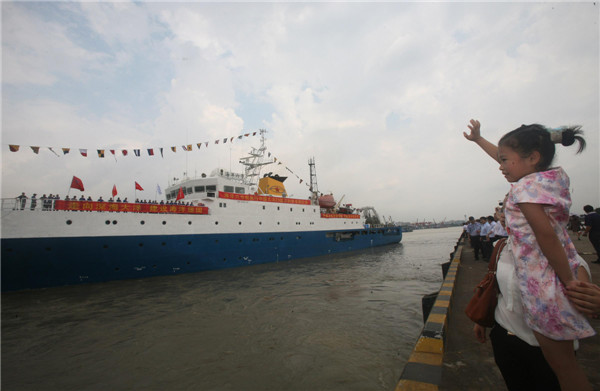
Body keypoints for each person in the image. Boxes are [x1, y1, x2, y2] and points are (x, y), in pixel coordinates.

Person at [464, 119, 594, 391]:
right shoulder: (548, 179)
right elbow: (511, 160)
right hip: (545, 279)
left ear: (532, 157)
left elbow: (545, 236)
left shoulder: (524, 189)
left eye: (504, 160)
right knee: (566, 368)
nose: (500, 166)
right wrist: (479, 140)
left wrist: (568, 281)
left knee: (563, 370)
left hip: (543, 283)